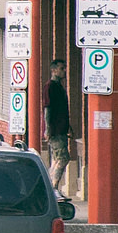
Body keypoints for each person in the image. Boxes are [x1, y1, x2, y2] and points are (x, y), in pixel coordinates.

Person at [43, 60, 73, 190]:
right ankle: (53, 186)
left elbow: (63, 110)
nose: (64, 71)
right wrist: (48, 129)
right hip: (55, 130)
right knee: (62, 158)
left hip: (61, 128)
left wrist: (68, 127)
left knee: (57, 158)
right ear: (54, 70)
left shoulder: (59, 86)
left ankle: (50, 185)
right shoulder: (50, 87)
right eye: (61, 68)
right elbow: (47, 109)